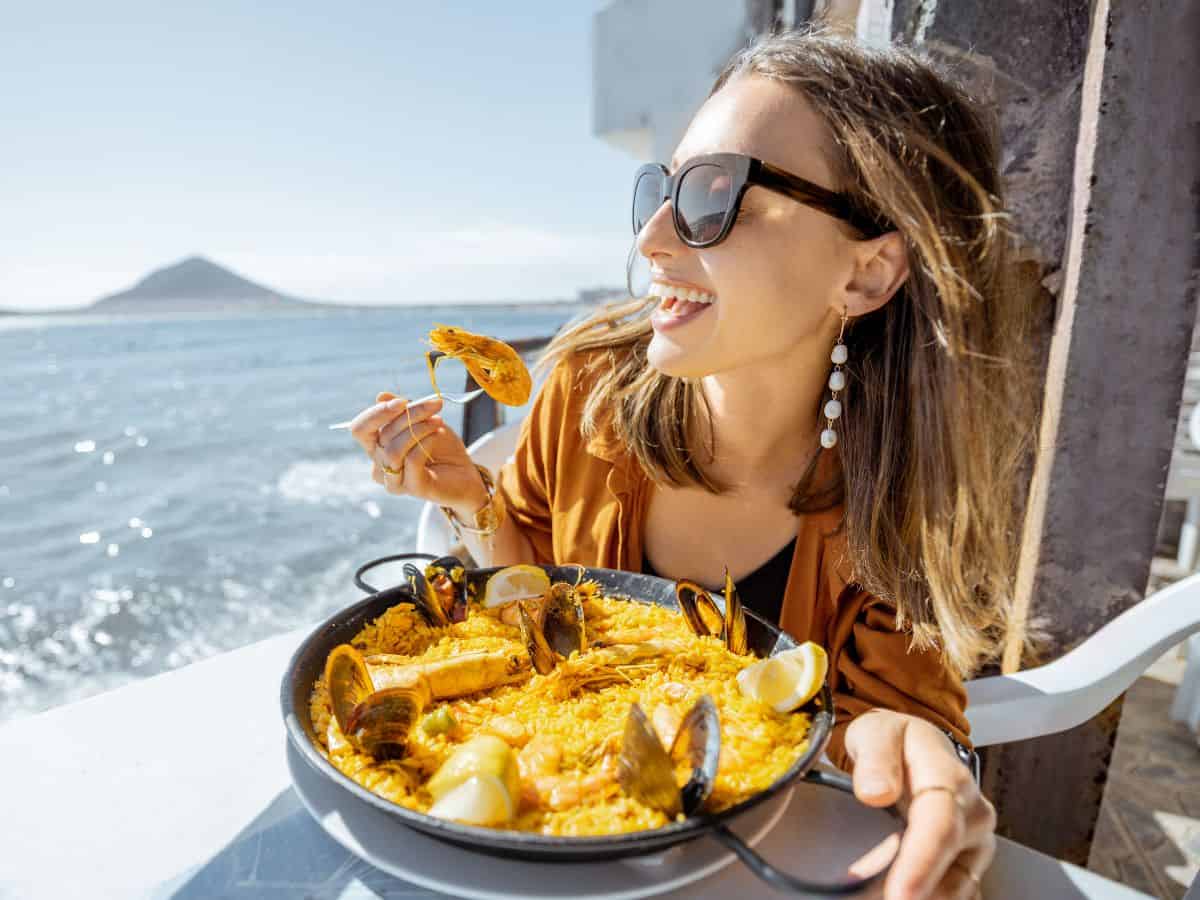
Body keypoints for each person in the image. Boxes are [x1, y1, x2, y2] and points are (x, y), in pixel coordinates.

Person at [350, 27, 1035, 900]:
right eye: (661, 191)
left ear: (867, 273)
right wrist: (471, 504)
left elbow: (888, 717)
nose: (653, 242)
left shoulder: (908, 481)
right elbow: (530, 586)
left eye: (716, 195)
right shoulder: (591, 386)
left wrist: (908, 750)